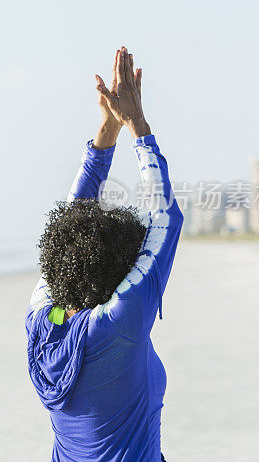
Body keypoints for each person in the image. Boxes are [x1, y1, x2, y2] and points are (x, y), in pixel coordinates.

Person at [26, 47, 183, 461]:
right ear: (121, 275)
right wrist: (137, 125)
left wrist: (107, 132)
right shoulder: (119, 323)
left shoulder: (47, 320)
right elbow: (166, 218)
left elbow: (70, 230)